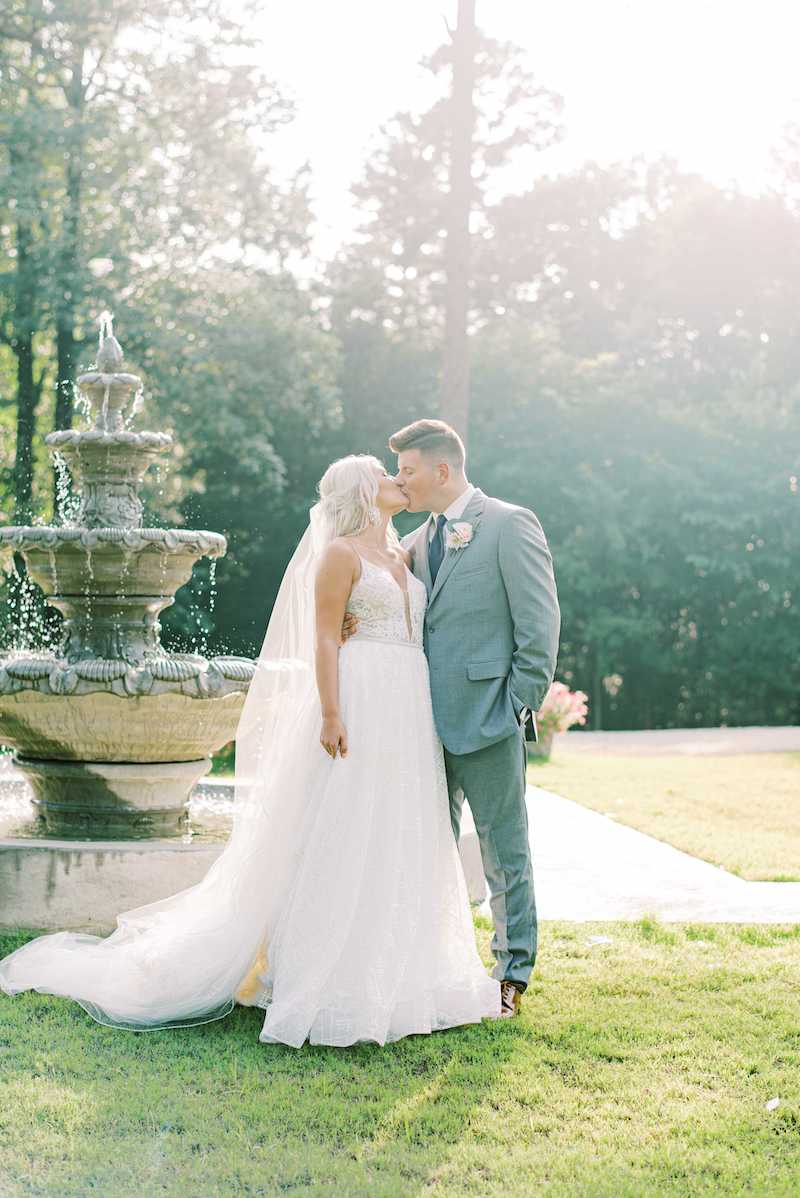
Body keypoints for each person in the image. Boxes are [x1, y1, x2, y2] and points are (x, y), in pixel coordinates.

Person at [0, 454, 502, 1046]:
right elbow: (324, 636)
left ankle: (403, 971)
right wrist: (332, 712)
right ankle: (324, 974)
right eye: (385, 475)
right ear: (364, 493)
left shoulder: (405, 555)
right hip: (359, 696)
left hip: (407, 702)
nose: (398, 480)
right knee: (343, 823)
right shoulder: (339, 555)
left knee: (398, 824)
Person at [343, 421, 561, 1019]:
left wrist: (516, 704)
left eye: (407, 470)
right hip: (416, 726)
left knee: (504, 853)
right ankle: (421, 969)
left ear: (441, 470)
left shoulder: (510, 525)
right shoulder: (413, 542)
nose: (400, 480)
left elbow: (540, 626)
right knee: (420, 850)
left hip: (489, 718)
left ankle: (511, 974)